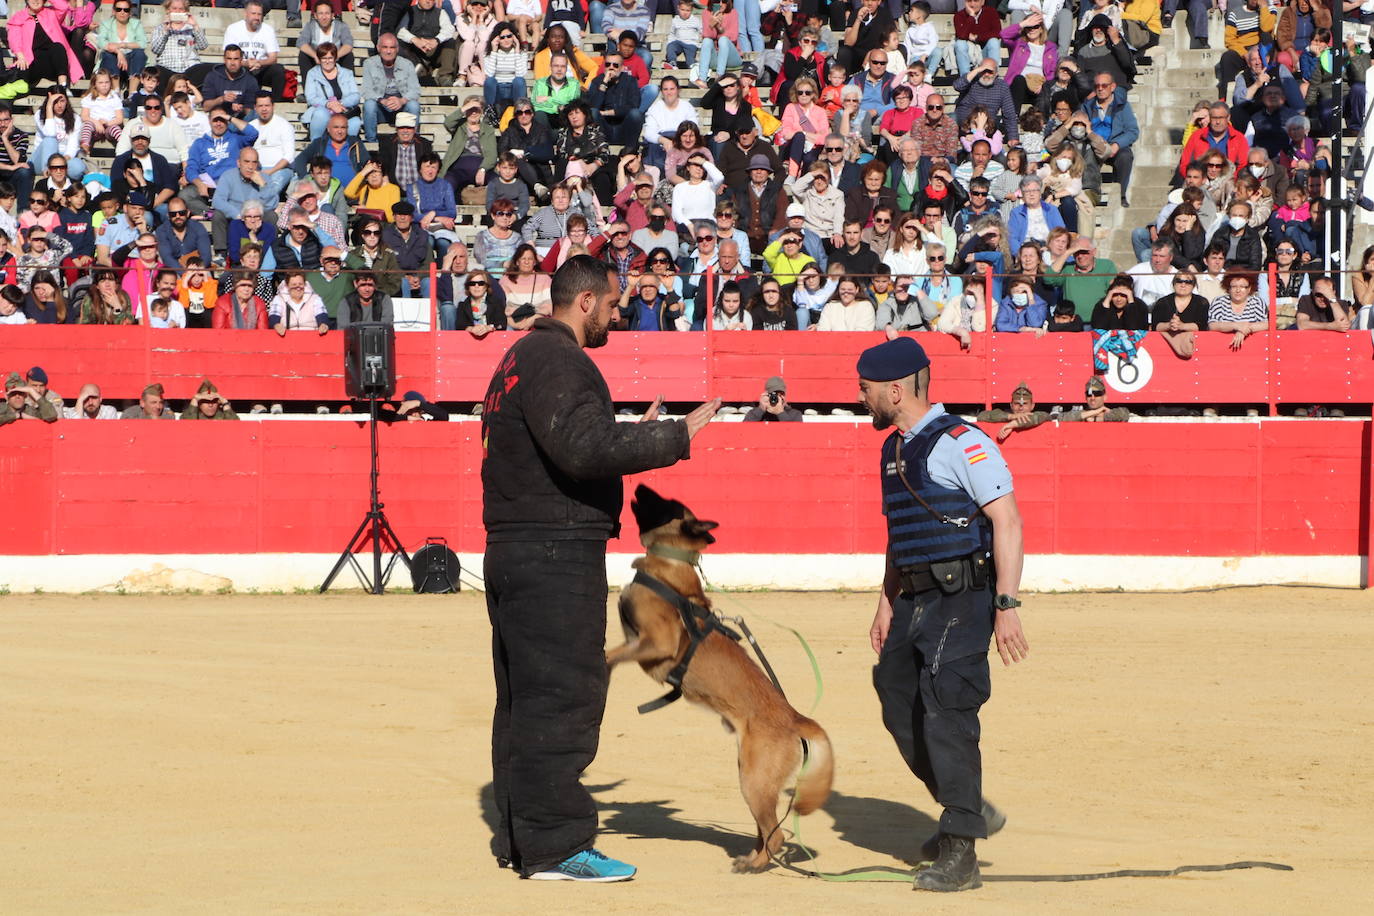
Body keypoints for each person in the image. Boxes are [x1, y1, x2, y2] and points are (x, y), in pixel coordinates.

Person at [480, 254, 720, 882]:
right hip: (552, 554)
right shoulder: (561, 359)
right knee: (562, 696)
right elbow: (581, 449)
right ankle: (556, 846)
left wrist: (620, 438)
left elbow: (569, 444)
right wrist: (671, 437)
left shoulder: (518, 357)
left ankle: (522, 838)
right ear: (584, 301)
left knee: (524, 700)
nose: (618, 313)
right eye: (613, 304)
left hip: (514, 549)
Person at [857, 335, 1025, 894]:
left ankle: (961, 848)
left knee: (946, 709)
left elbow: (1006, 520)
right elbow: (897, 535)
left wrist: (1007, 605)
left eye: (867, 390)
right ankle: (967, 807)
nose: (863, 399)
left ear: (896, 390)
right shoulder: (893, 449)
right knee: (895, 694)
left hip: (964, 595)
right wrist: (885, 600)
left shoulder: (962, 442)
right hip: (913, 597)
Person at [362, 33, 423, 144]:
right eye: (385, 47)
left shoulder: (407, 64)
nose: (388, 51)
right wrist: (382, 100)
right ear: (378, 48)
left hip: (401, 108)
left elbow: (415, 90)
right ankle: (371, 142)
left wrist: (402, 100)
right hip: (380, 108)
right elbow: (366, 90)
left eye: (392, 47)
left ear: (397, 49)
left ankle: (414, 141)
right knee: (369, 105)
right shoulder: (369, 64)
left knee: (413, 105)